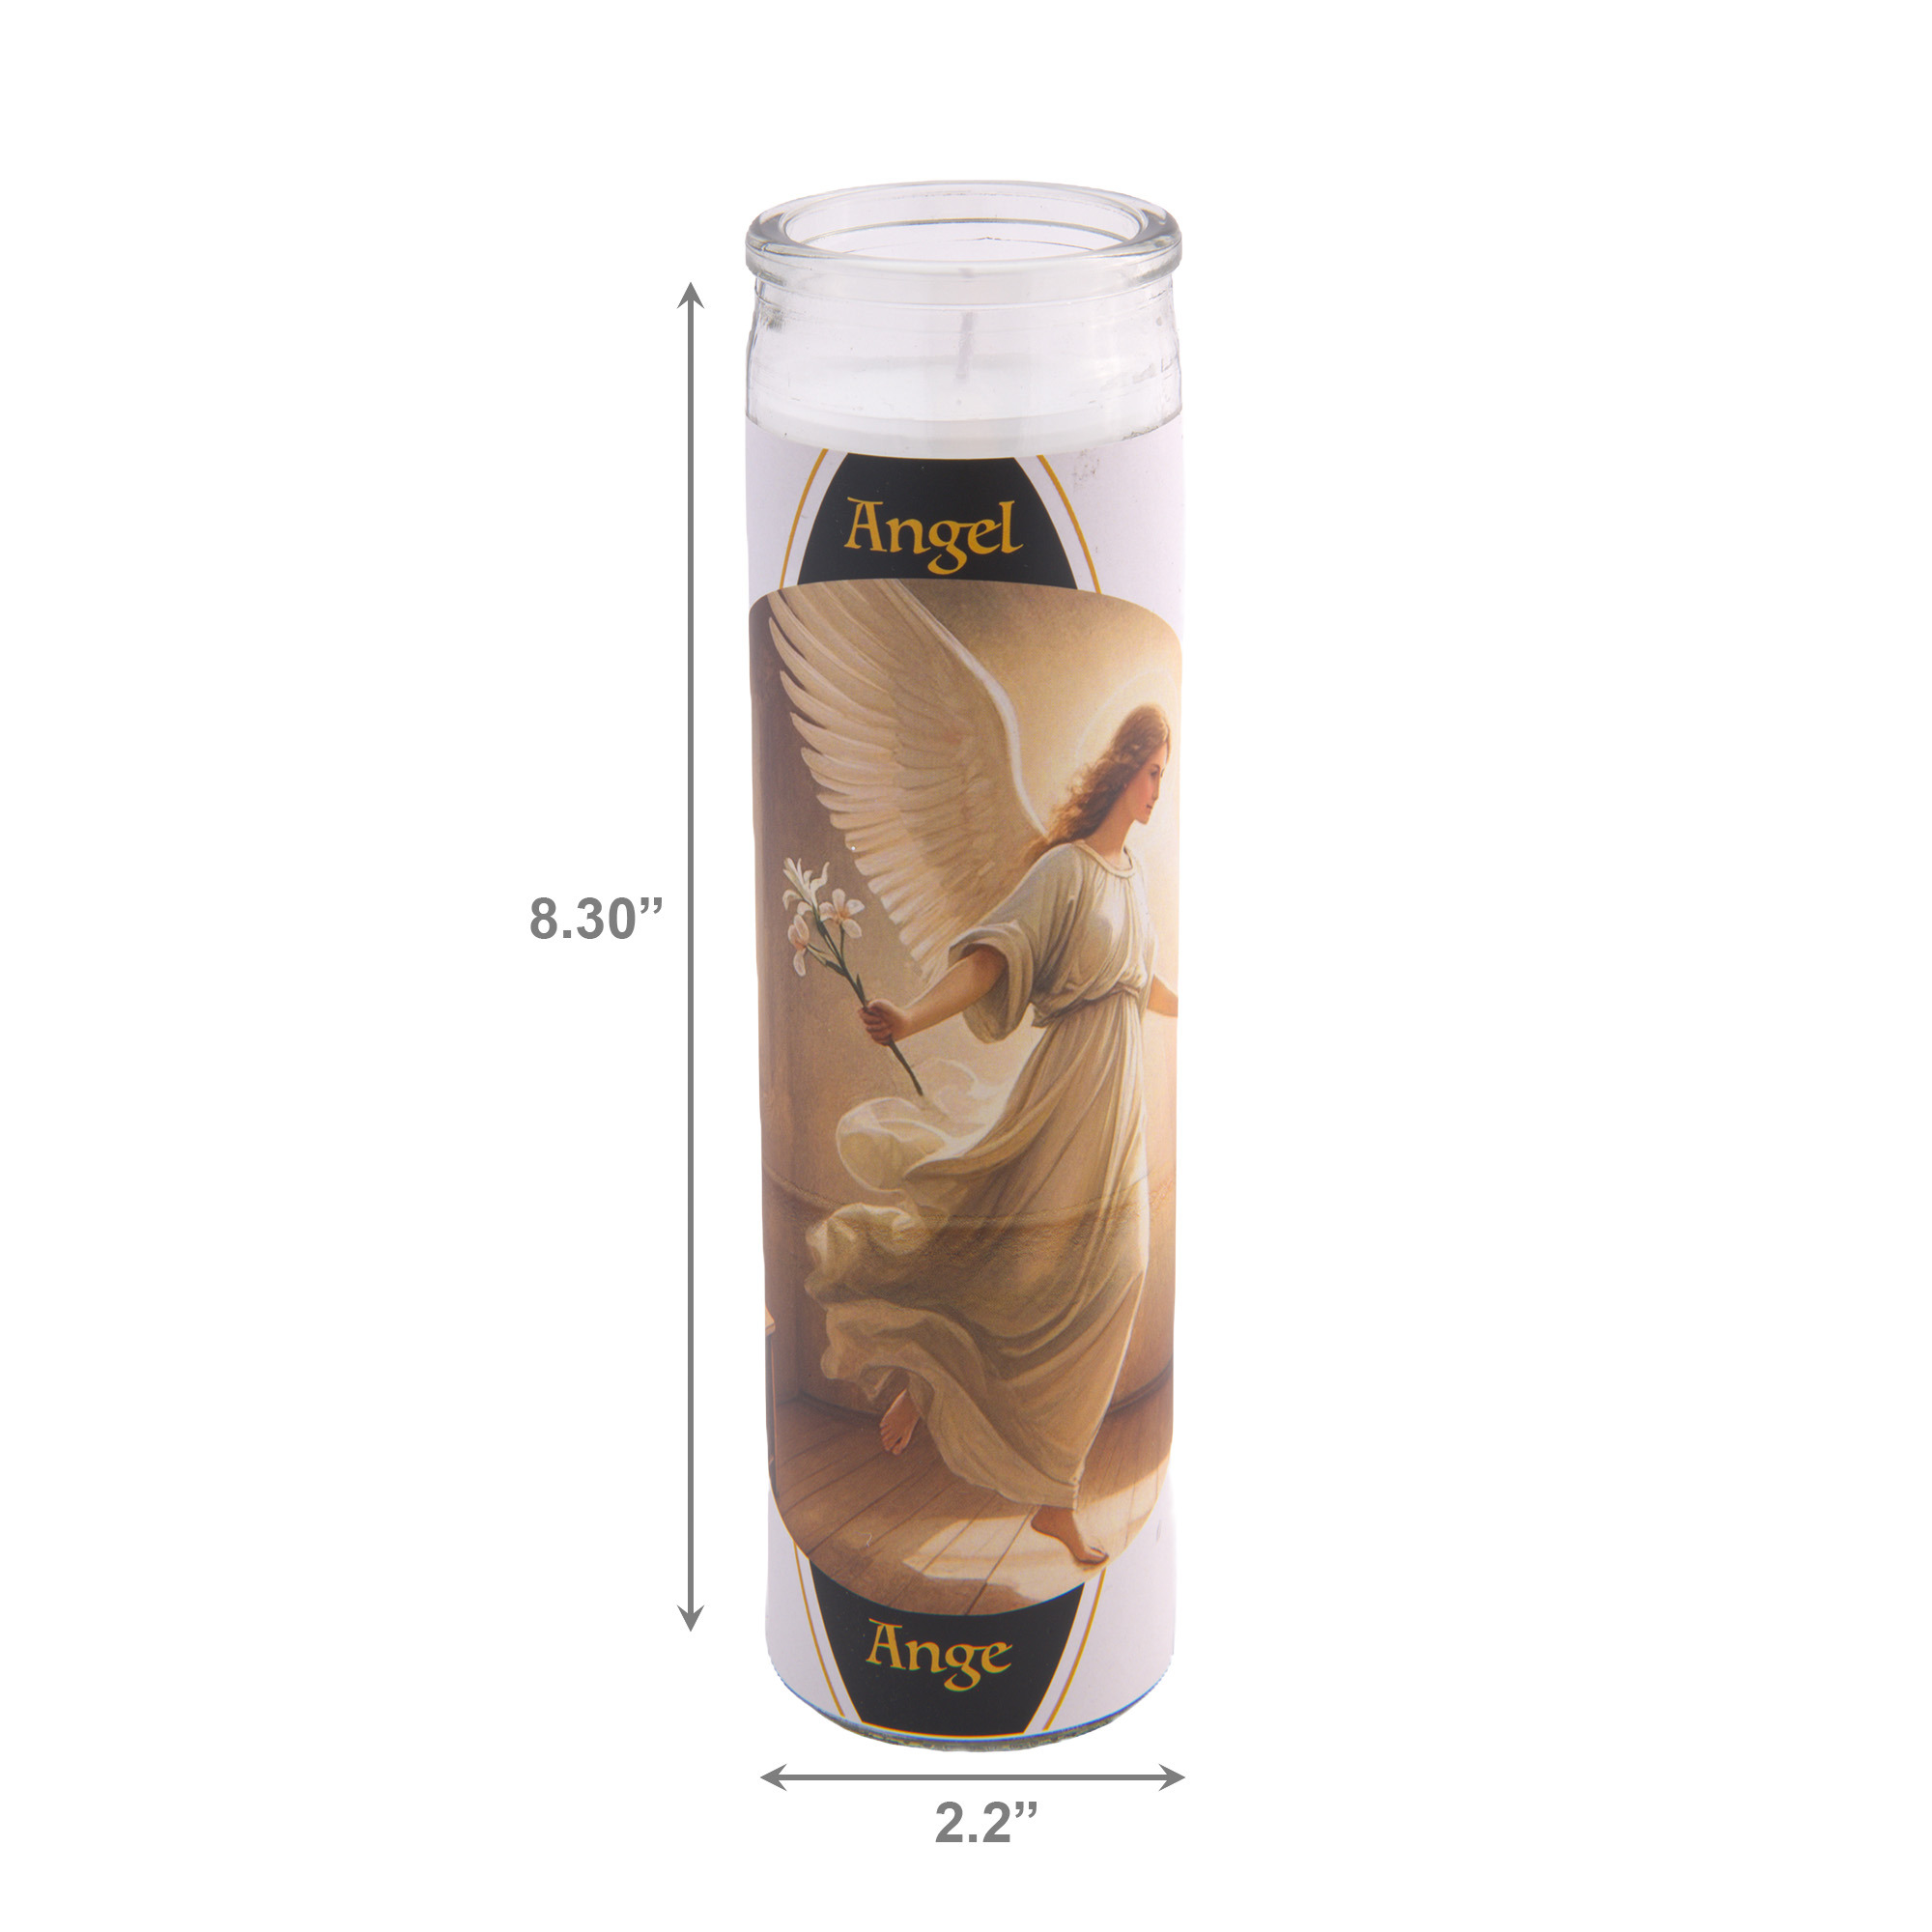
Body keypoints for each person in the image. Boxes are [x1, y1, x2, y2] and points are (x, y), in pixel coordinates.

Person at [805, 705, 1179, 1567]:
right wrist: (910, 1017)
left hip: (1117, 1109)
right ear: (1124, 768)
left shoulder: (1133, 880)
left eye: (1167, 775)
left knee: (1119, 1273)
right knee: (1014, 1264)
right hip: (1065, 1100)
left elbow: (1143, 980)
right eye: (1154, 771)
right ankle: (937, 1388)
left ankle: (1048, 1490)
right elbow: (989, 962)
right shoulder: (1066, 871)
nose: (1160, 790)